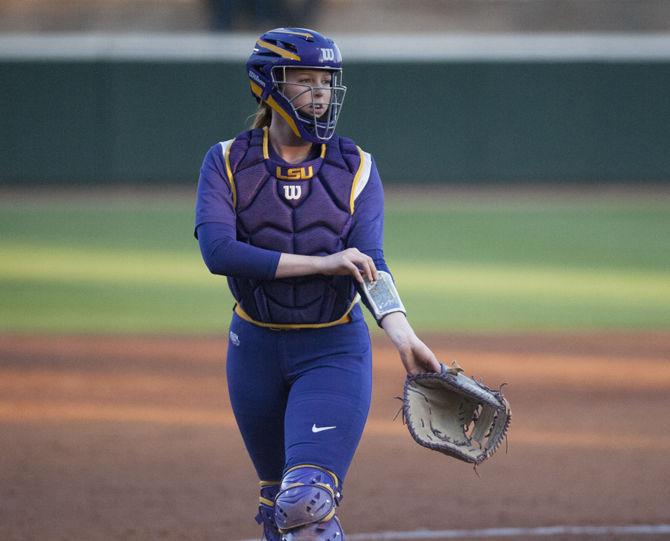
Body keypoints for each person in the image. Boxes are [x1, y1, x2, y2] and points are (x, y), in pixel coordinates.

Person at [194, 27, 440, 541]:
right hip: (254, 347)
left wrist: (403, 334)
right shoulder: (225, 162)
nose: (320, 92)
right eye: (304, 80)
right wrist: (324, 263)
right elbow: (219, 253)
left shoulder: (357, 166)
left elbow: (370, 261)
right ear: (267, 85)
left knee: (305, 501)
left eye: (326, 81)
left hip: (332, 348)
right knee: (276, 509)